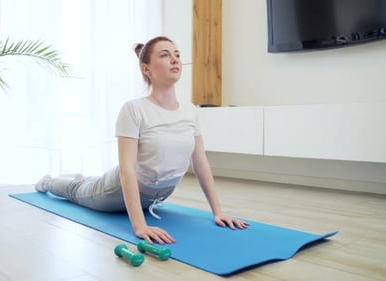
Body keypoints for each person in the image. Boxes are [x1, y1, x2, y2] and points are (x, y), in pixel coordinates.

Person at [35, 36, 248, 244]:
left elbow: (200, 162)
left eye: (177, 54)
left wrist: (218, 212)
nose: (175, 59)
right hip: (116, 190)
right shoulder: (134, 109)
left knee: (86, 184)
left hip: (156, 197)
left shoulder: (190, 112)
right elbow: (127, 170)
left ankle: (85, 179)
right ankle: (48, 182)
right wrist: (140, 226)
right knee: (76, 193)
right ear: (146, 69)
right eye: (165, 55)